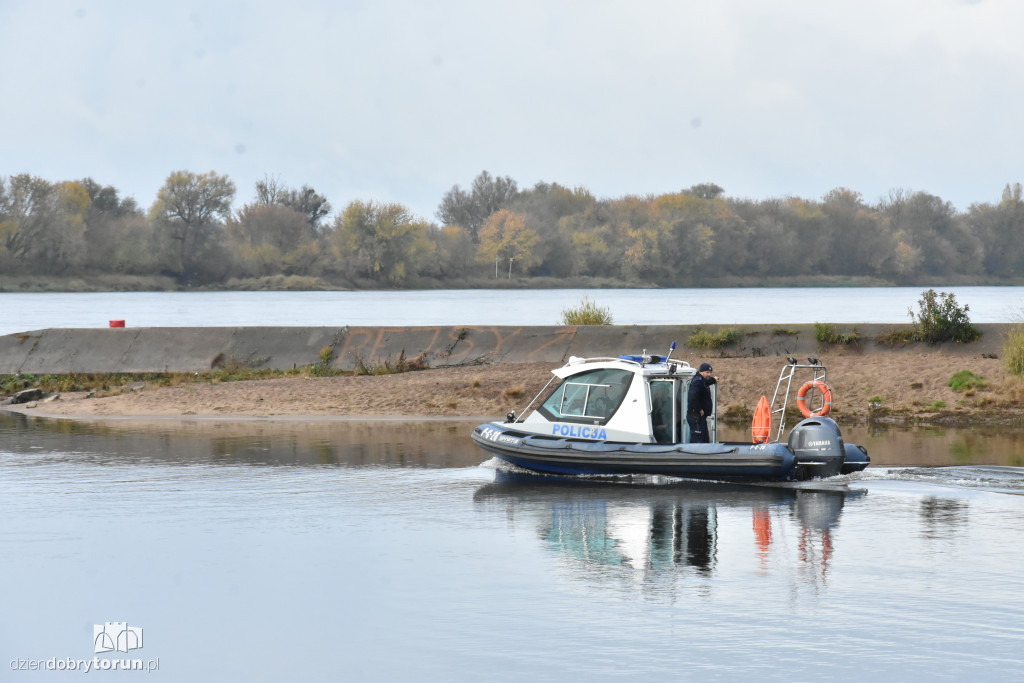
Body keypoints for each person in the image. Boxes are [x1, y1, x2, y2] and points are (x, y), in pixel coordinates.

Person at [687, 362, 718, 443]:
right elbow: (692, 396)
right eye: (707, 372)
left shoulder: (702, 380)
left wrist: (714, 380)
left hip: (700, 417)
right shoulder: (697, 381)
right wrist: (698, 409)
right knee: (698, 439)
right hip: (696, 416)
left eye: (710, 372)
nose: (709, 374)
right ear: (701, 372)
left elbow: (706, 382)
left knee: (704, 439)